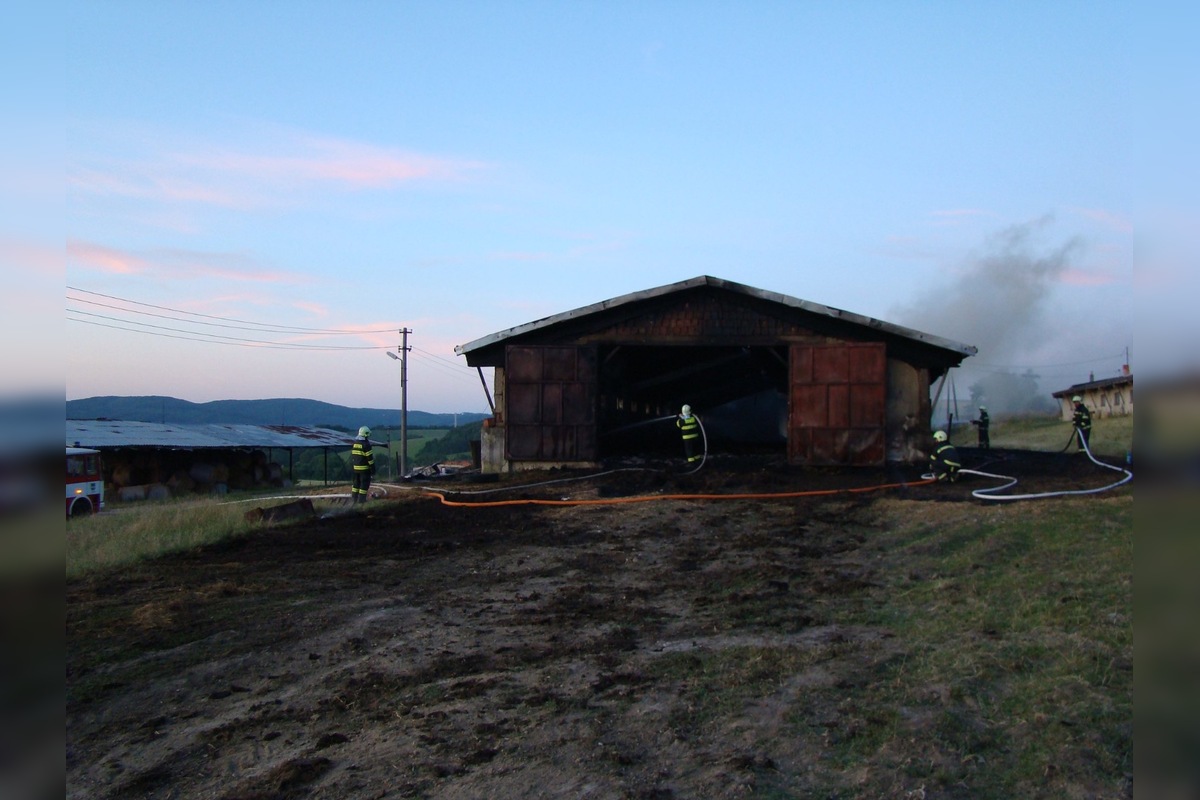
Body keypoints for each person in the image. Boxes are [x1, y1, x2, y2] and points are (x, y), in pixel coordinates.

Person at [350, 425, 376, 503]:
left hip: (355, 469)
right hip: (364, 469)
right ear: (366, 434)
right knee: (364, 484)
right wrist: (373, 469)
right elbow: (370, 459)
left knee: (356, 484)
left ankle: (354, 499)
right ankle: (362, 500)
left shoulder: (355, 443)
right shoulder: (366, 445)